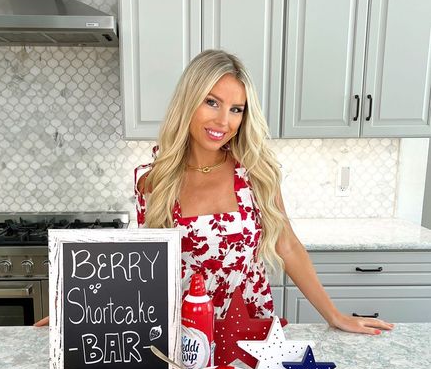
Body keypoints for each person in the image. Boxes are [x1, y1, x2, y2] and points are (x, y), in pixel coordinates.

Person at [35, 49, 393, 336]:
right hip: (182, 334)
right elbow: (145, 271)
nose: (224, 121)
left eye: (236, 109)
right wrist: (81, 313)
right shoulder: (152, 180)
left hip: (250, 330)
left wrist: (334, 315)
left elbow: (288, 245)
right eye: (212, 102)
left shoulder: (255, 173)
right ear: (188, 102)